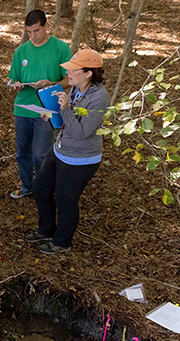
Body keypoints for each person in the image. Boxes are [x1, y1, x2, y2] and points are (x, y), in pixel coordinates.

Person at [25, 49, 108, 254]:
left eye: (73, 70)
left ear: (89, 73)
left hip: (81, 159)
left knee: (66, 200)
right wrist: (54, 116)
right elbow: (68, 121)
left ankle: (62, 241)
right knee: (41, 189)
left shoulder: (99, 98)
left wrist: (64, 109)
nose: (68, 74)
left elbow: (82, 133)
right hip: (61, 150)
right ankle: (45, 230)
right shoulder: (77, 88)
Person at [8, 10, 72, 199]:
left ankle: (43, 189)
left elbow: (69, 79)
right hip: (23, 108)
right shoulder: (22, 51)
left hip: (48, 108)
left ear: (46, 26)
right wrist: (16, 85)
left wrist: (50, 84)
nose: (32, 36)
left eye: (36, 31)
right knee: (22, 152)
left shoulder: (60, 48)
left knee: (41, 154)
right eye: (29, 32)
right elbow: (12, 80)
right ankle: (27, 185)